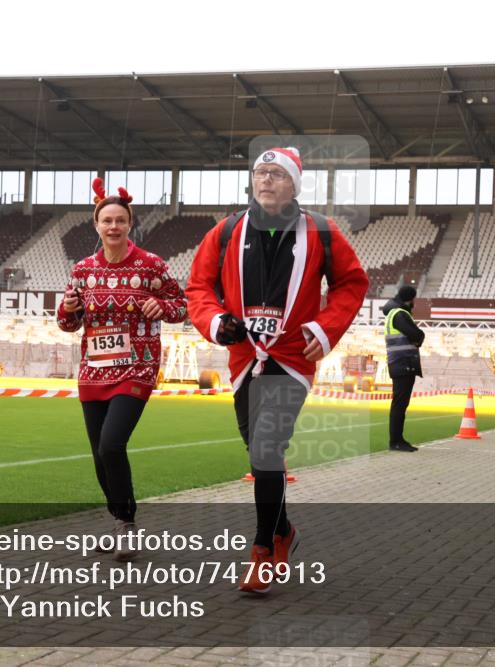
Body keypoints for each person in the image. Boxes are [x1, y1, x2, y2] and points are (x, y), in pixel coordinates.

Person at [186, 146, 368, 594]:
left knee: (267, 449)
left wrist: (325, 328)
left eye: (277, 173)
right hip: (243, 359)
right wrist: (215, 320)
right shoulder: (226, 231)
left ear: (294, 184)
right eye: (260, 172)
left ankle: (263, 550)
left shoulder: (322, 231)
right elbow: (199, 286)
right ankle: (284, 530)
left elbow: (351, 282)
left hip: (292, 358)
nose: (266, 180)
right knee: (259, 453)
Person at [57, 179, 188, 560]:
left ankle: (127, 525)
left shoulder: (151, 265)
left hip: (137, 367)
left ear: (130, 224)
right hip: (93, 371)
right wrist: (68, 308)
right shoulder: (82, 270)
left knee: (112, 444)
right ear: (96, 225)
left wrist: (161, 307)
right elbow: (67, 324)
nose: (113, 226)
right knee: (99, 454)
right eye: (107, 220)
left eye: (120, 220)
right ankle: (119, 521)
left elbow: (182, 306)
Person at [382, 285, 425, 452]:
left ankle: (397, 440)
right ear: (410, 299)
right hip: (403, 363)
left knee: (399, 404)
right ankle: (396, 441)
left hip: (399, 363)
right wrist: (420, 337)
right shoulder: (400, 314)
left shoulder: (393, 313)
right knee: (400, 404)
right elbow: (417, 335)